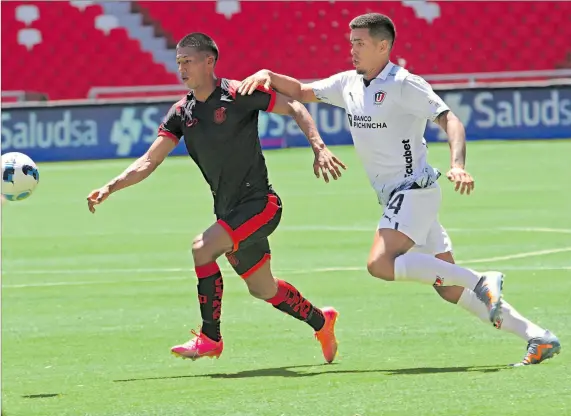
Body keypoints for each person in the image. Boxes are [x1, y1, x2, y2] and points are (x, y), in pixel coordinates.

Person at [238, 13, 561, 366]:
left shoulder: (406, 84)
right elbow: (300, 91)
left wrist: (457, 165)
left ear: (383, 46)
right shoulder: (348, 84)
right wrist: (268, 75)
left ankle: (482, 279)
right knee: (449, 287)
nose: (353, 50)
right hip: (399, 198)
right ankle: (537, 336)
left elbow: (449, 118)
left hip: (414, 191)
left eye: (360, 43)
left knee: (379, 263)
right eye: (351, 43)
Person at [87, 32, 347, 363]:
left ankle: (211, 338)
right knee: (263, 289)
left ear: (209, 61)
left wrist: (318, 146)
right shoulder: (182, 112)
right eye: (178, 62)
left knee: (202, 248)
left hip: (260, 205)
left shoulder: (240, 93)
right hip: (229, 211)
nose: (182, 68)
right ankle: (321, 322)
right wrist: (111, 185)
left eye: (188, 61)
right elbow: (149, 161)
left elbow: (294, 105)